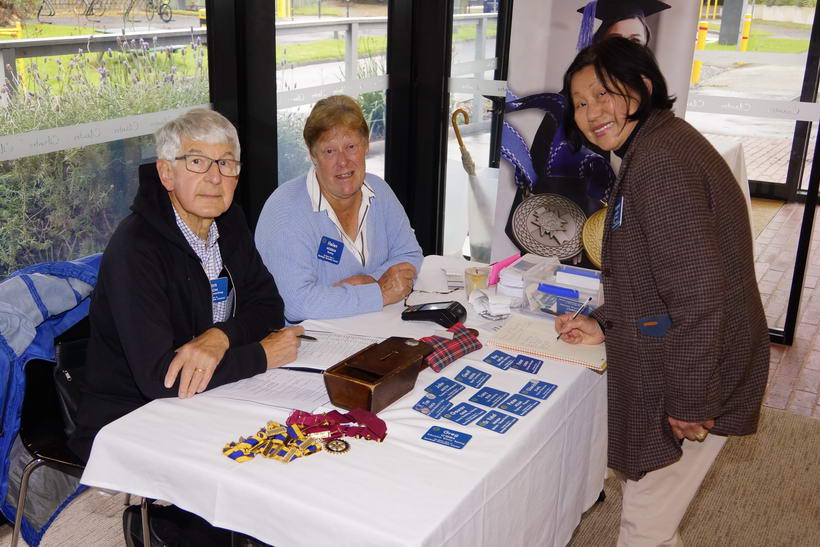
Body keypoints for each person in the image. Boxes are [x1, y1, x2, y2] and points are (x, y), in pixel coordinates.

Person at [555, 37, 769, 546]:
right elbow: (654, 277)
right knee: (649, 512)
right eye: (580, 103)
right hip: (690, 354)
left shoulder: (661, 163)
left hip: (700, 367)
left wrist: (691, 400)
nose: (591, 113)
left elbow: (698, 294)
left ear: (642, 86)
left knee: (645, 527)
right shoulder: (656, 144)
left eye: (603, 94)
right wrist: (604, 323)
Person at [69, 108, 303, 545]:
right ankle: (170, 530)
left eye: (226, 163)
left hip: (209, 387)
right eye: (197, 161)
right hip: (132, 409)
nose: (215, 177)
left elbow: (269, 305)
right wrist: (260, 355)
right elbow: (161, 377)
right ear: (166, 173)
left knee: (294, 439)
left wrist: (220, 337)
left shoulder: (230, 222)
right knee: (256, 462)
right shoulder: (135, 249)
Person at [256, 95, 422, 323]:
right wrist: (379, 292)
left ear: (366, 146)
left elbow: (409, 254)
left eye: (351, 147)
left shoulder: (379, 191)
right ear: (313, 155)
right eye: (329, 151)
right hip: (309, 340)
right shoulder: (284, 210)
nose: (343, 161)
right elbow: (296, 303)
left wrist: (367, 283)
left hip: (373, 326)